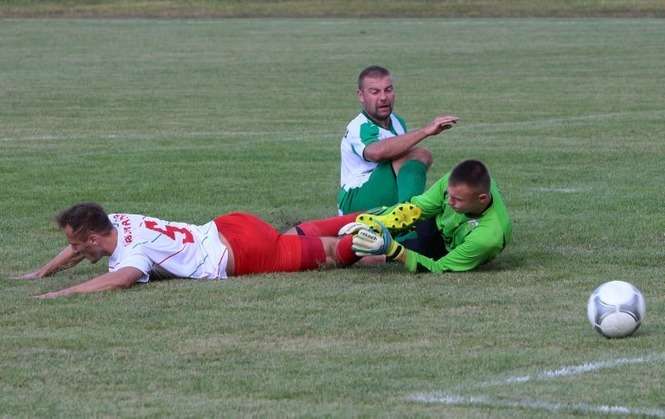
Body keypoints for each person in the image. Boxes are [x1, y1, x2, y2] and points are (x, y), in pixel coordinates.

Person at [16, 203, 364, 299]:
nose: (71, 251)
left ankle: (382, 240)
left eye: (76, 243)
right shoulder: (116, 221)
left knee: (335, 253)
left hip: (239, 253)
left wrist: (63, 292)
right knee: (295, 237)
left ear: (93, 239)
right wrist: (42, 272)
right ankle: (381, 214)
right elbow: (77, 249)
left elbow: (119, 281)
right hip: (231, 225)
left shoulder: (131, 255)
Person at [327, 160, 511, 273]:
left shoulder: (487, 238)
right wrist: (382, 220)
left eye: (457, 200)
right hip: (436, 225)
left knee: (373, 252)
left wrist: (393, 250)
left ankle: (324, 252)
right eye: (449, 195)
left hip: (444, 250)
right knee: (394, 216)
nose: (449, 202)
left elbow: (439, 267)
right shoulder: (452, 184)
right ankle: (309, 229)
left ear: (482, 199)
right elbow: (418, 208)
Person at [337, 65, 459, 214]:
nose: (383, 97)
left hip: (381, 192)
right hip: (355, 199)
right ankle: (409, 215)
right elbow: (376, 153)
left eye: (388, 90)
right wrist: (425, 131)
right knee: (419, 154)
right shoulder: (359, 126)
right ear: (361, 95)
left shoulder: (397, 122)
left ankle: (406, 215)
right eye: (375, 92)